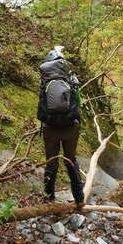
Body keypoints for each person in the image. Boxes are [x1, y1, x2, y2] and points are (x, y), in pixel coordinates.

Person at [37, 46, 84, 209]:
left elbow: (41, 105)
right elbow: (78, 103)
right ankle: (79, 199)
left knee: (51, 163)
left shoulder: (44, 80)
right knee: (71, 160)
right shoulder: (71, 79)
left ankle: (48, 199)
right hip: (71, 127)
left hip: (50, 128)